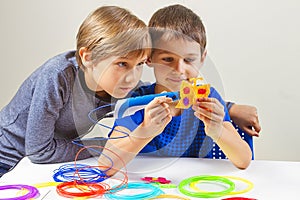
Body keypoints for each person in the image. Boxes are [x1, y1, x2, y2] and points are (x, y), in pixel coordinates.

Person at [99, 4, 252, 176]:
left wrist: (217, 130)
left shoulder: (209, 98)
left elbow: (244, 161)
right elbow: (105, 164)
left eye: (189, 60)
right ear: (149, 58)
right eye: (167, 59)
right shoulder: (137, 101)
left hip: (196, 187)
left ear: (202, 58)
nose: (179, 69)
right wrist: (145, 130)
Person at [0, 6, 152, 178]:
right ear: (88, 58)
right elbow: (39, 152)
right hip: (7, 160)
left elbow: (153, 95)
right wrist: (106, 146)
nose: (132, 78)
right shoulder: (58, 76)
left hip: (40, 168)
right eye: (122, 64)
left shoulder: (122, 86)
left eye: (139, 64)